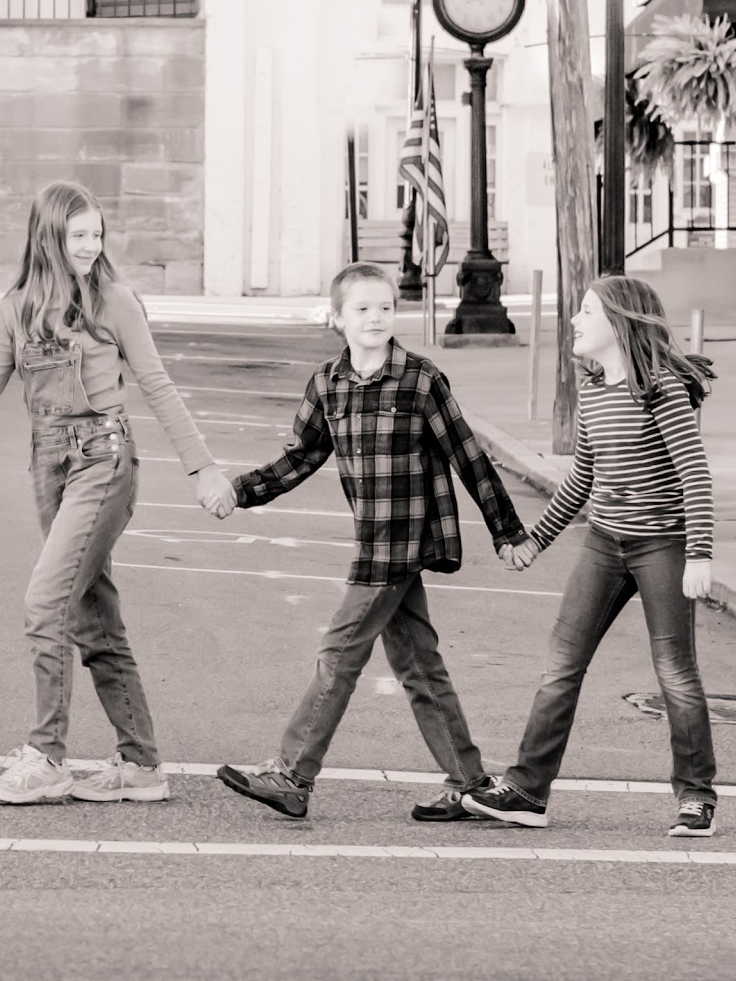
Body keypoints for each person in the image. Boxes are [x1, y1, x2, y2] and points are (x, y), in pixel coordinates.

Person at [0, 182, 240, 805]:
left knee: (46, 602)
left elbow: (157, 384)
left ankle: (46, 756)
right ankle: (141, 765)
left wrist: (202, 468)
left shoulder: (115, 300)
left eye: (97, 234)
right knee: (92, 618)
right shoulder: (15, 308)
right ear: (48, 237)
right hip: (48, 464)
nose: (92, 246)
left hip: (103, 459)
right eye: (78, 236)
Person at [214, 262, 531, 823]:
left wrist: (507, 531)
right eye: (361, 308)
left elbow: (468, 455)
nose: (375, 317)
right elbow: (299, 458)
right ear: (338, 318)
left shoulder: (420, 379)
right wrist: (238, 492)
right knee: (419, 666)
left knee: (338, 654)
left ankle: (293, 774)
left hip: (401, 541)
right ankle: (470, 782)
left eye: (385, 307)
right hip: (373, 538)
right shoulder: (327, 384)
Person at [464, 274, 721, 838]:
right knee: (561, 665)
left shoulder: (661, 390)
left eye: (586, 311)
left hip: (662, 544)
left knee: (675, 672)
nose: (575, 321)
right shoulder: (595, 389)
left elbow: (695, 474)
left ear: (620, 322)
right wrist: (535, 541)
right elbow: (582, 478)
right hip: (604, 542)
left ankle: (696, 796)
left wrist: (700, 553)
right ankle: (527, 791)